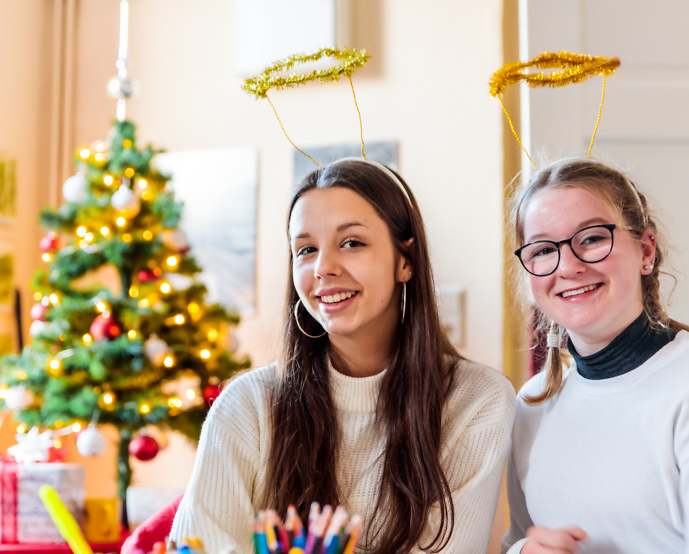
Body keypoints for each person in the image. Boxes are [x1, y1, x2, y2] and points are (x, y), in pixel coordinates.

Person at [170, 158, 516, 554]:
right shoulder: (246, 405)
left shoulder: (477, 401)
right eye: (305, 250)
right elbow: (198, 545)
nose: (323, 268)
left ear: (406, 260)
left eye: (351, 243)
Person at [501, 158, 689, 554]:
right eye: (544, 249)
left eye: (593, 238)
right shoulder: (531, 405)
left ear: (646, 249)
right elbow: (517, 539)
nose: (568, 266)